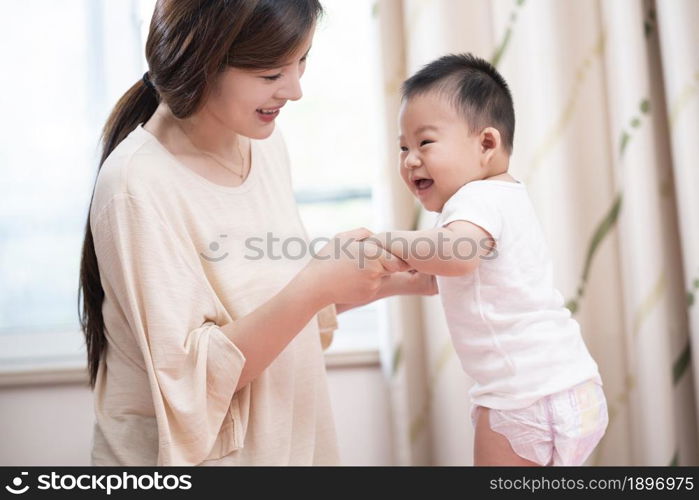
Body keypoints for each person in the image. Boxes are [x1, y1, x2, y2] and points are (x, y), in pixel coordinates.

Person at [78, 0, 436, 466]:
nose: (295, 90)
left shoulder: (262, 144)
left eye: (301, 61)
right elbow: (190, 380)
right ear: (202, 62)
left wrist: (391, 281)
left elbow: (268, 306)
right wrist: (316, 285)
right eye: (272, 75)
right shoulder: (136, 186)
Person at [368, 53, 608, 466]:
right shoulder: (509, 196)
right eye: (403, 147)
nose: (409, 160)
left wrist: (383, 241)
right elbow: (442, 276)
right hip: (574, 387)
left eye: (425, 142)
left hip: (523, 400)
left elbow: (455, 257)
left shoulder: (474, 199)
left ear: (486, 144)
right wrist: (386, 280)